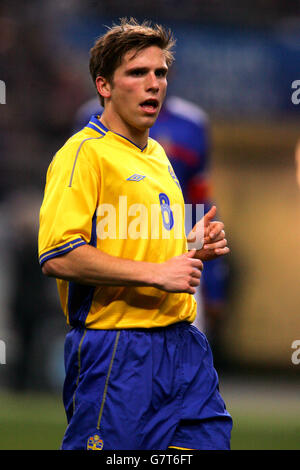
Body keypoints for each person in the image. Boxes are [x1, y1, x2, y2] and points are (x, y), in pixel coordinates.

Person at [38, 18, 232, 451]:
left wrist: (191, 247)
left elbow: (140, 245)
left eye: (160, 73)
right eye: (137, 73)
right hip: (119, 350)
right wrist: (156, 273)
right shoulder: (82, 154)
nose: (153, 84)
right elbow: (58, 255)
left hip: (183, 345)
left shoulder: (158, 155)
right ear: (104, 85)